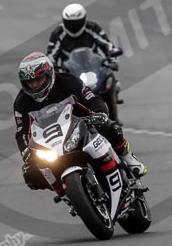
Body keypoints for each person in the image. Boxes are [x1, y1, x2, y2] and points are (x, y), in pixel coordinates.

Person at [14, 52, 146, 190]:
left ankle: (128, 157)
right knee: (31, 176)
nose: (34, 85)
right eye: (30, 82)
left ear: (50, 74)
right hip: (51, 143)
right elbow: (21, 132)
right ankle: (67, 195)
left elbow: (93, 100)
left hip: (83, 126)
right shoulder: (21, 103)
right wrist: (25, 152)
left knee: (110, 127)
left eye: (38, 79)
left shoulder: (69, 82)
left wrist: (99, 114)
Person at [47, 3, 119, 67]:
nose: (73, 26)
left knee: (110, 78)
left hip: (95, 67)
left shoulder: (92, 28)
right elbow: (51, 55)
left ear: (83, 19)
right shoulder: (58, 33)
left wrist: (112, 60)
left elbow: (107, 44)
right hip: (69, 73)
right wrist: (52, 66)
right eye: (70, 23)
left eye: (76, 23)